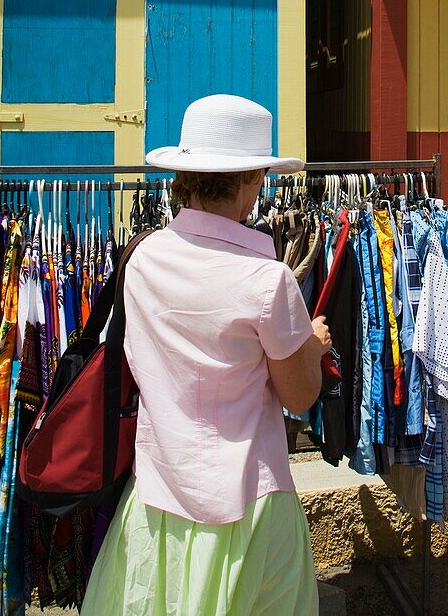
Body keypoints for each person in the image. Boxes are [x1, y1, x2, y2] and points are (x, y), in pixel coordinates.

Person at [82, 95, 331, 616]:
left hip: (157, 500)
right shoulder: (268, 280)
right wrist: (313, 343)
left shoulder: (141, 259)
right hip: (249, 507)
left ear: (186, 175)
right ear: (248, 179)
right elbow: (301, 395)